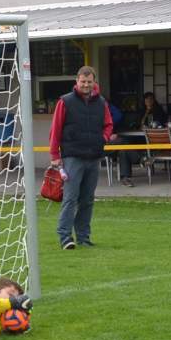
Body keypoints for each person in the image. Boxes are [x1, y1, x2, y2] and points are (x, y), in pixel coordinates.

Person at [46, 65, 111, 250]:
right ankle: (65, 237)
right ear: (77, 81)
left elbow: (108, 124)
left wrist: (103, 138)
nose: (86, 85)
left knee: (87, 199)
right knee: (70, 198)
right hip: (72, 157)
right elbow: (55, 129)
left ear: (94, 82)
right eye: (83, 81)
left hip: (93, 157)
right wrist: (54, 155)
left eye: (89, 82)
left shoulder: (102, 103)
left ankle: (83, 237)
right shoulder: (65, 102)